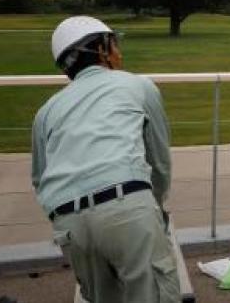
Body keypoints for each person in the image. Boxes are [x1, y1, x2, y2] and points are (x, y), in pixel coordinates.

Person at [31, 16, 179, 302]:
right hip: (128, 207)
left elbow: (39, 178)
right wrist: (156, 211)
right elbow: (159, 162)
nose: (119, 53)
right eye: (115, 45)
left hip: (68, 220)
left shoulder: (46, 111)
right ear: (101, 50)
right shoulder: (139, 86)